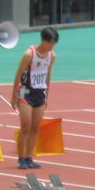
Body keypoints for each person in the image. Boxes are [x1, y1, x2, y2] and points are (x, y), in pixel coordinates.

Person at [11, 26, 59, 170]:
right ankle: (21, 159)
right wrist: (14, 96)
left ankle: (29, 157)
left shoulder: (52, 56)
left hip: (40, 92)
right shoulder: (29, 54)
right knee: (25, 125)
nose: (52, 46)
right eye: (50, 43)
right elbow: (18, 75)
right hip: (25, 91)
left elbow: (48, 75)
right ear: (43, 41)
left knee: (35, 127)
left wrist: (47, 95)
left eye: (54, 44)